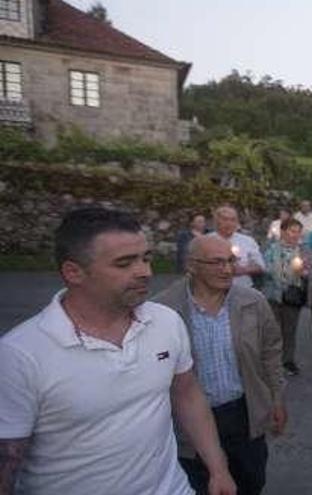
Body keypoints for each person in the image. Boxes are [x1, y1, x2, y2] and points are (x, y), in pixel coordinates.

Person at [0, 207, 235, 495]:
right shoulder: (20, 355)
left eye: (146, 258)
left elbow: (187, 393)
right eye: (124, 264)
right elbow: (8, 459)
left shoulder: (165, 322)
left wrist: (218, 468)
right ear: (74, 272)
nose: (145, 272)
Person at [155, 235, 287, 495]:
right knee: (200, 486)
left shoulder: (253, 302)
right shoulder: (164, 310)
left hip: (243, 414)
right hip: (189, 422)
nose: (227, 270)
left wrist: (276, 399)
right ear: (192, 266)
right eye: (216, 262)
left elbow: (271, 353)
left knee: (250, 482)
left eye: (230, 261)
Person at [262, 218, 312, 375]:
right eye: (292, 231)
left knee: (289, 330)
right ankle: (272, 362)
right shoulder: (271, 248)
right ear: (283, 231)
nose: (296, 235)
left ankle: (288, 361)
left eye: (298, 232)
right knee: (273, 330)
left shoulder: (304, 250)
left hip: (293, 294)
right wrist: (279, 272)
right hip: (273, 294)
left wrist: (305, 273)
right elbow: (264, 268)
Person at [210, 205, 265, 289]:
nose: (229, 223)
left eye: (233, 220)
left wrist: (243, 270)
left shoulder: (248, 241)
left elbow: (260, 266)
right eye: (225, 219)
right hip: (213, 288)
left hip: (242, 288)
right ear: (217, 221)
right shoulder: (205, 241)